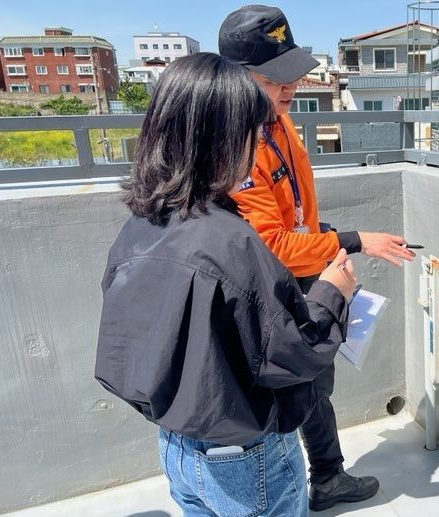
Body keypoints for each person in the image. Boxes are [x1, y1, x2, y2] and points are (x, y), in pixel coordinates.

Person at [94, 52, 357, 517]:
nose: (255, 147)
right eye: (251, 132)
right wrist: (332, 292)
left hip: (177, 446)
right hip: (248, 459)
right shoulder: (232, 240)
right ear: (221, 139)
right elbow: (292, 355)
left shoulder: (143, 224)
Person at [218, 5, 415, 511]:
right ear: (235, 81)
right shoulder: (236, 146)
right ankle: (303, 486)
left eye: (291, 73)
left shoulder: (277, 121)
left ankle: (328, 477)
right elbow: (270, 245)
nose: (290, 87)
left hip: (303, 276)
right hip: (270, 291)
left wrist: (325, 240)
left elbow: (293, 215)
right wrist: (354, 240)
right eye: (274, 79)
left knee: (314, 382)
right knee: (291, 390)